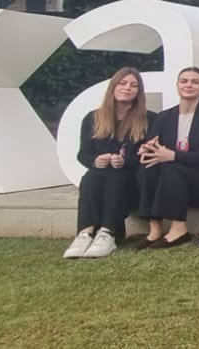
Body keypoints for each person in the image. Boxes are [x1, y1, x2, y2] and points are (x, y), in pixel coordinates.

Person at [65, 67, 152, 259]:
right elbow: (83, 154)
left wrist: (125, 161)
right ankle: (85, 233)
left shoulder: (149, 119)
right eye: (122, 83)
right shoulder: (93, 118)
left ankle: (107, 233)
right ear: (113, 86)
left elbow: (148, 155)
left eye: (133, 85)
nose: (127, 88)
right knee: (90, 177)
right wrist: (96, 160)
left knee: (116, 177)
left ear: (139, 91)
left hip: (132, 179)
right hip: (99, 175)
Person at [133, 66, 199, 249]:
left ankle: (179, 228)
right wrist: (147, 149)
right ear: (177, 85)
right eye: (184, 81)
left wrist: (173, 155)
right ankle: (155, 228)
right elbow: (153, 145)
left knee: (172, 166)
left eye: (195, 82)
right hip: (170, 178)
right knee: (148, 167)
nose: (189, 85)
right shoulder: (164, 116)